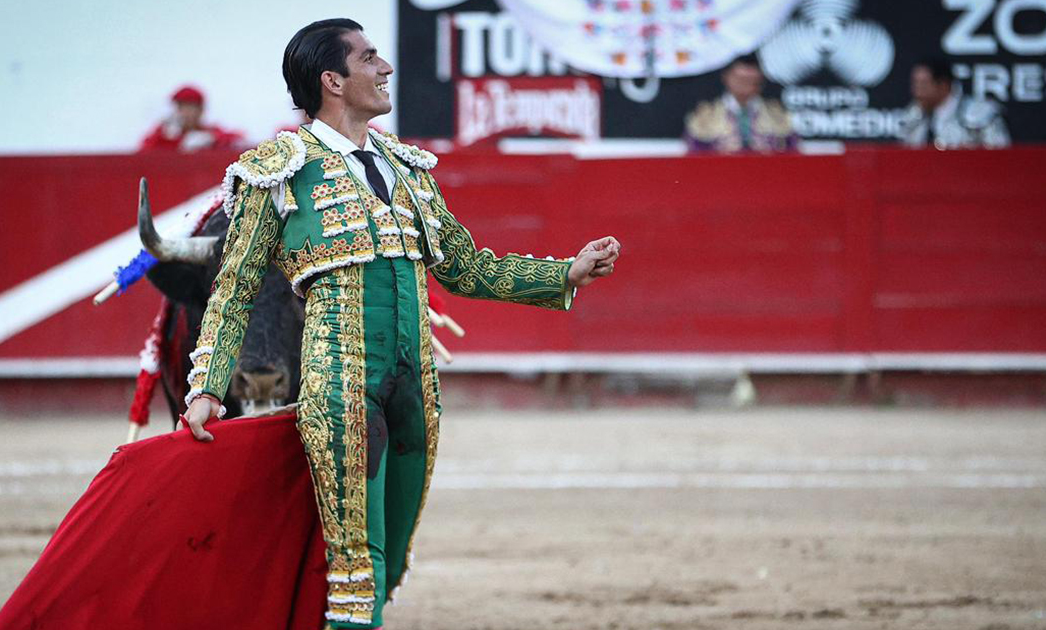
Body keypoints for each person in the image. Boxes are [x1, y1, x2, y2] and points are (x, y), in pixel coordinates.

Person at [183, 18, 620, 629]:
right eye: (369, 59)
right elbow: (235, 289)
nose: (385, 68)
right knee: (356, 568)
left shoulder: (407, 167)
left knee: (390, 565)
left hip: (416, 391)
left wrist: (563, 275)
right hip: (340, 390)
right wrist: (207, 388)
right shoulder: (277, 170)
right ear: (332, 81)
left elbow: (465, 269)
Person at [684, 53, 798, 154]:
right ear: (726, 77)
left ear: (761, 81)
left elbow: (791, 150)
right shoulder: (705, 114)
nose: (746, 86)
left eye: (752, 81)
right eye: (741, 80)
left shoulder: (777, 113)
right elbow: (695, 150)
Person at [900, 57, 1010, 150]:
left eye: (923, 85)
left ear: (944, 85)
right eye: (915, 84)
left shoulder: (980, 115)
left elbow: (1000, 157)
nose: (917, 92)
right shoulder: (912, 117)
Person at [139, 84, 246, 152]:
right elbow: (143, 152)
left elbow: (239, 140)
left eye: (190, 107)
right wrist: (172, 141)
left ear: (200, 110)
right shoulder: (164, 133)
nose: (185, 113)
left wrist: (211, 139)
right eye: (181, 107)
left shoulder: (209, 132)